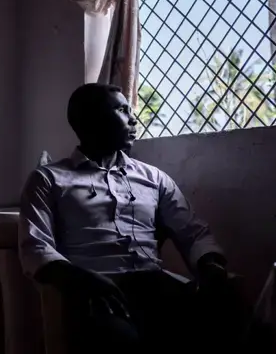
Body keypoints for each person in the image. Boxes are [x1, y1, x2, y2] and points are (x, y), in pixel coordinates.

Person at [19, 83, 236, 354]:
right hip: (95, 295)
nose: (134, 119)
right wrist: (83, 280)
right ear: (90, 119)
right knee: (122, 342)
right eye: (123, 110)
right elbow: (35, 247)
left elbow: (192, 231)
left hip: (154, 288)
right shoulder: (49, 179)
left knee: (231, 311)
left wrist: (210, 265)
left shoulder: (153, 178)